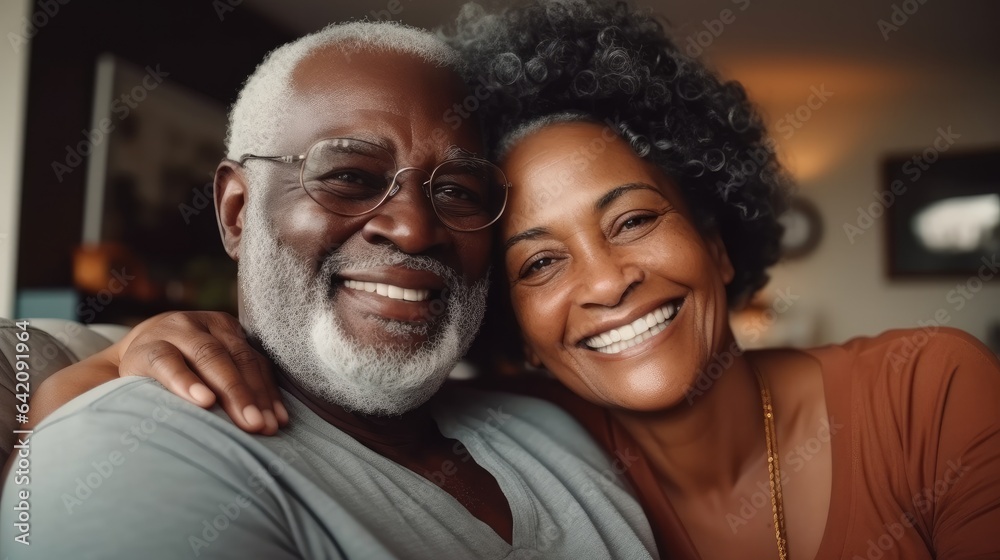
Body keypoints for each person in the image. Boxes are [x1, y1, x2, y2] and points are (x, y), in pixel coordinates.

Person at [20, 1, 1000, 558]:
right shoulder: (540, 418)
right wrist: (125, 362)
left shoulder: (926, 392)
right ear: (518, 317)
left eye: (633, 219)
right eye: (538, 258)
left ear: (720, 236)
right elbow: (83, 442)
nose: (607, 280)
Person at [0, 20, 658, 559]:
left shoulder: (552, 429)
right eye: (349, 176)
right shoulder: (129, 452)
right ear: (236, 211)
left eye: (457, 191)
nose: (413, 228)